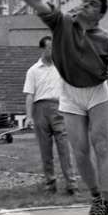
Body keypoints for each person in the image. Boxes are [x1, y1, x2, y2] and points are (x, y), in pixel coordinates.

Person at [0, 0, 108, 215]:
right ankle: (95, 197)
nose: (85, 5)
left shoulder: (105, 39)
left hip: (97, 92)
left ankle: (105, 200)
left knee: (101, 145)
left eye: (92, 4)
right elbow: (36, 1)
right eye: (84, 0)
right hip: (69, 92)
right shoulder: (62, 23)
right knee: (80, 151)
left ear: (100, 14)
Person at [23, 35, 78, 195]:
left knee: (64, 147)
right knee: (45, 150)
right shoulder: (33, 71)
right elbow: (29, 95)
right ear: (42, 49)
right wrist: (29, 117)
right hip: (40, 109)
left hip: (59, 107)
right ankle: (50, 184)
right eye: (50, 48)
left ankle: (71, 184)